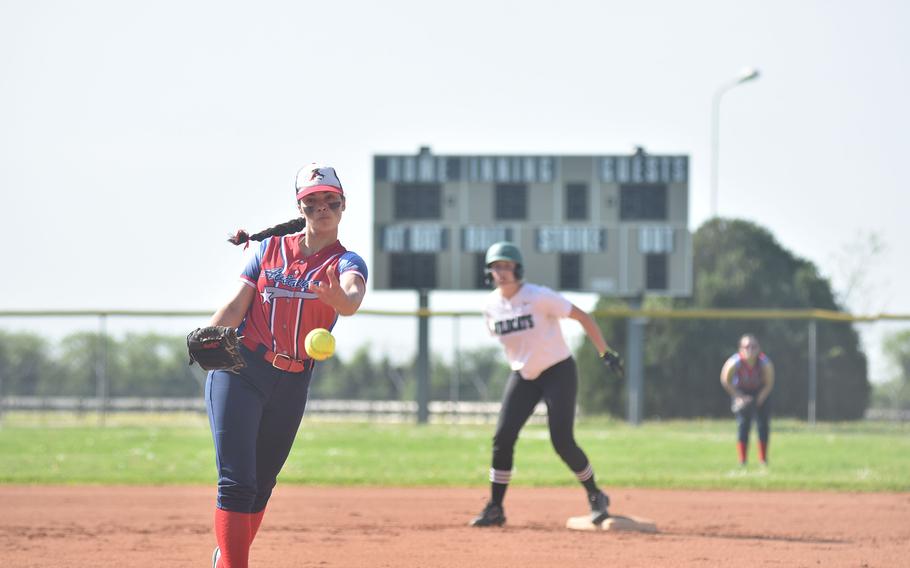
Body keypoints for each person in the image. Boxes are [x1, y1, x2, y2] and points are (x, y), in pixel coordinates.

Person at [202, 164, 367, 568]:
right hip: (241, 369)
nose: (322, 208)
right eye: (312, 202)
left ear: (343, 206)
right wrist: (207, 333)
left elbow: (351, 300)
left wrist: (337, 299)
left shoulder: (347, 262)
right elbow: (238, 304)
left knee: (260, 486)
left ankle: (226, 560)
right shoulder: (269, 249)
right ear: (301, 207)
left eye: (330, 200)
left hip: (292, 381)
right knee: (237, 482)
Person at [470, 241, 624, 527]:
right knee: (502, 439)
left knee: (562, 441)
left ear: (518, 269)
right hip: (524, 375)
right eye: (496, 267)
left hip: (558, 371)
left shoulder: (539, 296)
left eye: (507, 266)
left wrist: (605, 352)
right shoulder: (490, 307)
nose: (501, 272)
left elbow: (582, 316)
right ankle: (495, 507)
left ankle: (596, 495)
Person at [720, 333, 775, 466]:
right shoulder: (735, 362)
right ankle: (742, 460)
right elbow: (725, 380)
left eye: (754, 346)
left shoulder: (764, 362)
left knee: (763, 425)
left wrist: (759, 399)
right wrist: (738, 397)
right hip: (741, 391)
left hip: (760, 391)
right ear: (740, 349)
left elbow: (769, 383)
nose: (750, 350)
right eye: (746, 346)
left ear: (758, 348)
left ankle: (763, 460)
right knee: (743, 425)